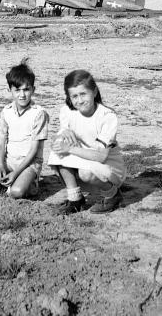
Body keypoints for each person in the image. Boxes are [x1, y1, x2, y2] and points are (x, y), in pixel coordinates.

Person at [48, 70, 126, 214]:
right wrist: (62, 134)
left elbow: (101, 156)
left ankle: (112, 194)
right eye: (74, 96)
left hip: (109, 166)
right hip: (85, 158)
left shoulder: (107, 116)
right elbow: (56, 141)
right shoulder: (67, 111)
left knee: (85, 172)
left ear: (94, 92)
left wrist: (69, 149)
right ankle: (75, 198)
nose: (79, 100)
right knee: (56, 151)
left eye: (83, 94)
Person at [0, 61, 49, 198]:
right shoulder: (6, 111)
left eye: (26, 89)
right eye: (17, 90)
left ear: (33, 89)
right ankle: (4, 177)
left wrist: (15, 173)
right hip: (10, 160)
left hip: (29, 164)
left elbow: (33, 151)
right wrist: (0, 165)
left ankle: (30, 182)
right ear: (9, 90)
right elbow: (0, 143)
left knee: (16, 192)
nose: (22, 95)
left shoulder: (39, 114)